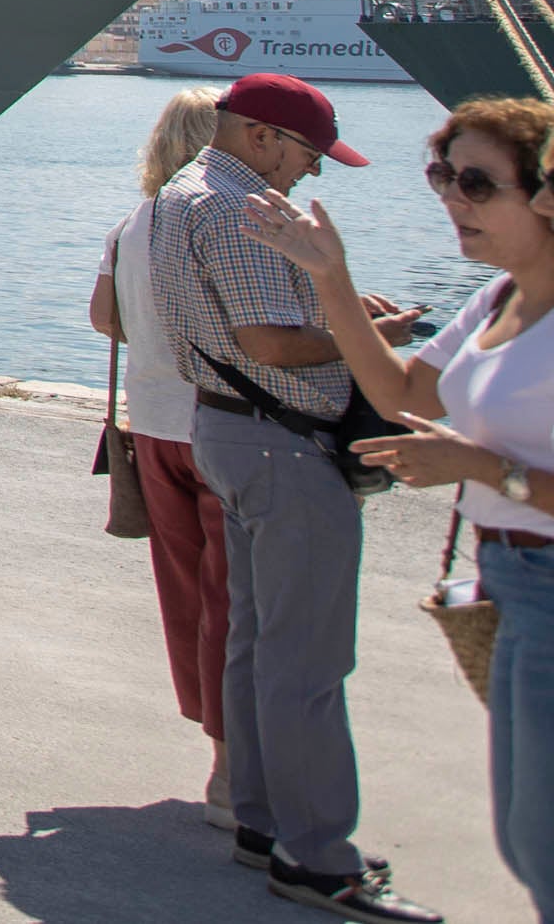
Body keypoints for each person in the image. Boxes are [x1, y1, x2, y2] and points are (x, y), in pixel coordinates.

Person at [246, 95, 554, 923]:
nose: (453, 197)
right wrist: (330, 276)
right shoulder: (496, 302)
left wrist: (480, 467)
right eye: (443, 177)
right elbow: (399, 389)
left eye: (479, 183)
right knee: (529, 841)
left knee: (545, 842)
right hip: (511, 582)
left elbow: (468, 444)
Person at [154, 72, 438, 922]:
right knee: (307, 661)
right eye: (310, 155)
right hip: (281, 442)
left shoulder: (181, 191)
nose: (311, 174)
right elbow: (270, 341)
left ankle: (261, 820)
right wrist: (369, 333)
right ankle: (317, 856)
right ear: (263, 137)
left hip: (226, 429)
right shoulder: (243, 208)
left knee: (255, 639)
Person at [92, 84, 234, 814]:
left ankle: (213, 742)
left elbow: (102, 318)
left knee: (185, 590)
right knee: (232, 595)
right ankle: (229, 762)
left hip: (150, 427)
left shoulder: (130, 224)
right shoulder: (223, 218)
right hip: (219, 424)